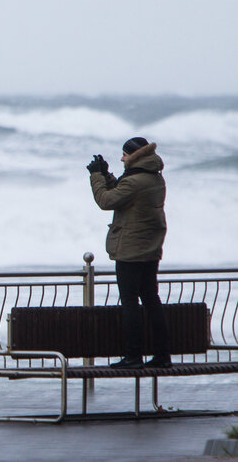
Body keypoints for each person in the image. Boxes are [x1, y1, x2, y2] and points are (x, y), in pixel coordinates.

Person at [87, 137, 171, 369]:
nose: (122, 158)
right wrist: (107, 175)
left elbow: (106, 200)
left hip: (130, 250)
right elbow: (124, 194)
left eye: (124, 154)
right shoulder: (154, 177)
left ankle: (133, 356)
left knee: (130, 303)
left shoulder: (135, 182)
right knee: (152, 300)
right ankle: (163, 356)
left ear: (134, 156)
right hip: (150, 249)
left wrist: (95, 176)